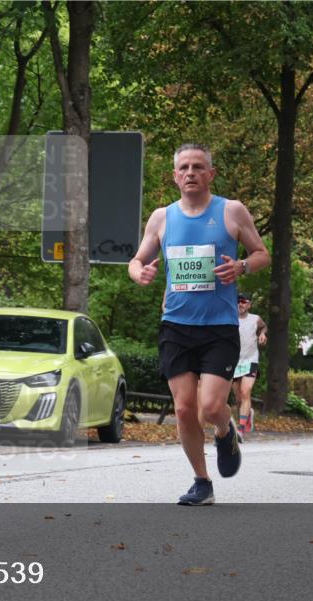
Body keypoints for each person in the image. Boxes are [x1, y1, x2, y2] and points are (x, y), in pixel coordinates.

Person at [129, 143, 270, 506]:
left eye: (197, 167)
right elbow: (136, 260)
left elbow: (262, 254)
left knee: (209, 406)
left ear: (211, 174)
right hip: (176, 326)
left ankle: (225, 430)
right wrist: (139, 273)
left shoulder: (231, 211)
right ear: (175, 176)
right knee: (183, 409)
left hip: (218, 327)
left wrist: (241, 266)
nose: (190, 172)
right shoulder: (162, 218)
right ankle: (202, 482)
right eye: (184, 168)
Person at [232, 293, 267, 434]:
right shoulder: (230, 319)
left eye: (243, 302)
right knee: (238, 398)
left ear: (249, 305)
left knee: (245, 392)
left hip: (250, 360)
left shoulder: (255, 319)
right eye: (238, 301)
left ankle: (240, 428)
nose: (240, 304)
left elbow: (263, 326)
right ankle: (247, 415)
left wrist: (262, 334)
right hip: (234, 362)